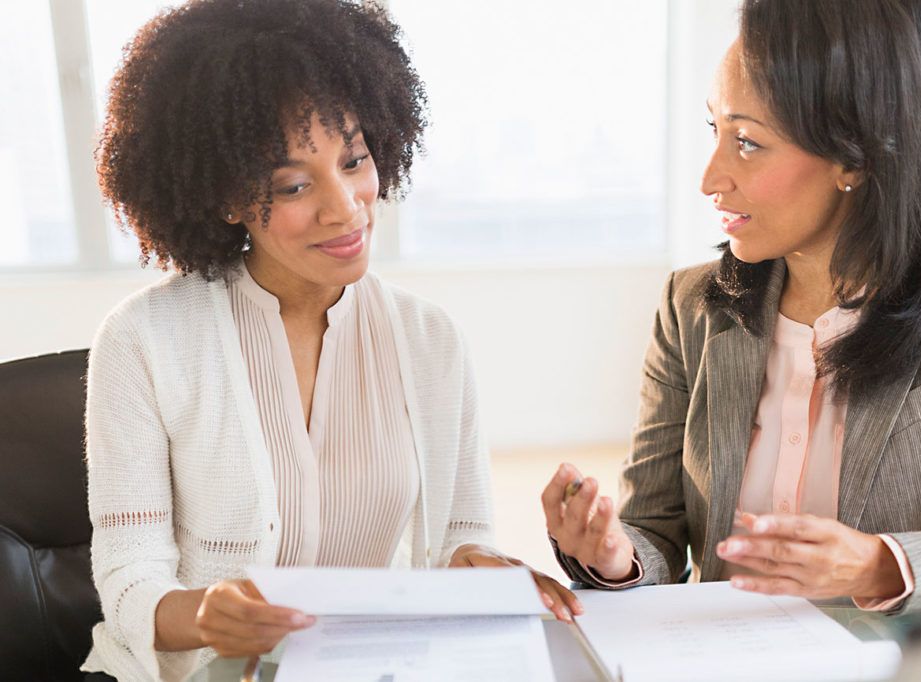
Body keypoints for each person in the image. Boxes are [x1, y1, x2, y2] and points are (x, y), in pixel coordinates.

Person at [82, 1, 578, 680]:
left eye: (353, 160)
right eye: (293, 184)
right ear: (226, 197)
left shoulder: (431, 340)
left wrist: (480, 571)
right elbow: (129, 579)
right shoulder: (144, 341)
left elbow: (461, 539)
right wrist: (204, 614)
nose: (344, 206)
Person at [545, 0, 921, 613]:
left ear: (855, 157)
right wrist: (615, 557)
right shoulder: (690, 306)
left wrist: (882, 565)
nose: (710, 178)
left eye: (747, 141)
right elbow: (656, 538)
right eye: (714, 132)